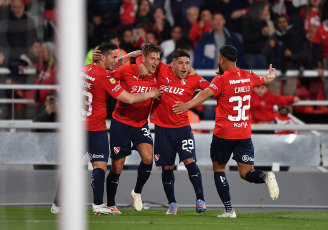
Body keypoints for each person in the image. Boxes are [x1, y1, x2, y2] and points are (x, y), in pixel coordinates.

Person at [51, 42, 162, 215]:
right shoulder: (108, 78)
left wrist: (125, 57)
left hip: (79, 126)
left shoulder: (85, 69)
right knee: (102, 166)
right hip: (99, 127)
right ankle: (101, 204)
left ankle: (59, 204)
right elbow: (129, 98)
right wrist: (151, 94)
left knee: (76, 167)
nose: (116, 60)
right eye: (114, 57)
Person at [173, 45, 279, 218]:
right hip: (244, 134)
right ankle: (266, 176)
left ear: (221, 60)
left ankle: (229, 210)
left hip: (224, 134)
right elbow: (266, 80)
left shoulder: (221, 80)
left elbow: (205, 94)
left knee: (219, 169)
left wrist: (186, 105)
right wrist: (272, 75)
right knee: (247, 173)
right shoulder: (249, 75)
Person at [138, 50, 210, 215]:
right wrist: (141, 64)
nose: (184, 66)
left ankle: (201, 200)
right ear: (173, 64)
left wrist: (189, 104)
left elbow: (210, 90)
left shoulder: (194, 78)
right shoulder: (162, 69)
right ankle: (172, 204)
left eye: (187, 63)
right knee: (167, 167)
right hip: (163, 130)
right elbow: (146, 58)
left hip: (183, 129)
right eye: (180, 63)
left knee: (190, 161)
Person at [101, 43, 162, 213]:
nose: (156, 62)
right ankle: (111, 204)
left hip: (140, 123)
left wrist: (191, 71)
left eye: (158, 58)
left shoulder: (159, 73)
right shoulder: (128, 71)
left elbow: (177, 69)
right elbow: (109, 71)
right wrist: (128, 57)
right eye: (153, 58)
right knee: (117, 167)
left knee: (149, 157)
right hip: (120, 122)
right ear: (143, 59)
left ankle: (137, 192)